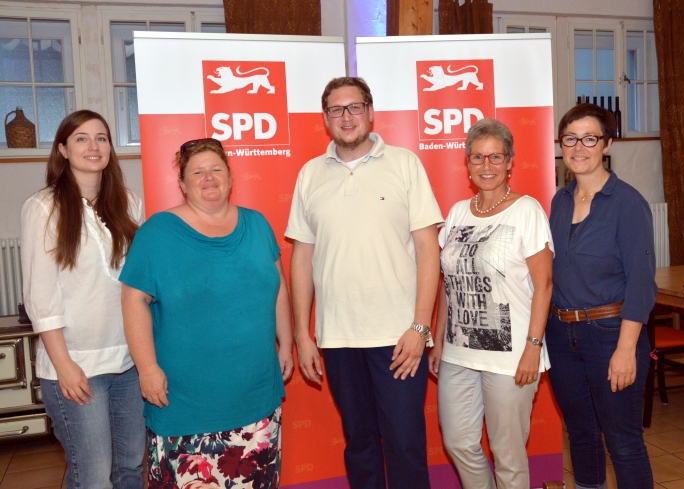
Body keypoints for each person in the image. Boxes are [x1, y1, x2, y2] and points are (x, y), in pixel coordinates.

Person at [286, 77, 443, 489]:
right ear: (325, 119)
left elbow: (429, 250)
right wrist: (303, 334)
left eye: (355, 107)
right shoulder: (310, 174)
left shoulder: (405, 163)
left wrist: (420, 327)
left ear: (371, 112)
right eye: (337, 110)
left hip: (399, 338)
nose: (347, 117)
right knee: (359, 444)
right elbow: (301, 258)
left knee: (405, 445)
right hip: (337, 338)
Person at [119, 138, 293, 488]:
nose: (208, 178)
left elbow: (278, 289)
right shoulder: (157, 233)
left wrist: (286, 344)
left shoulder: (257, 224)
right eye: (197, 172)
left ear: (230, 177)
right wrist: (147, 368)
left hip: (256, 399)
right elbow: (133, 300)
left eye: (216, 170)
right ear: (182, 184)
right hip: (186, 404)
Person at [20, 110, 145, 488]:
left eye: (102, 138)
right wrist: (64, 365)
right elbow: (39, 296)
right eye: (81, 138)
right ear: (62, 149)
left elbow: (137, 284)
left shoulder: (129, 202)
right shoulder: (44, 208)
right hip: (76, 366)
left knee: (130, 469)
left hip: (128, 362)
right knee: (92, 478)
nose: (94, 146)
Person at [428, 119, 554, 489]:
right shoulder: (456, 214)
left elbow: (544, 284)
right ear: (467, 163)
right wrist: (438, 339)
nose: (486, 166)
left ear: (510, 161)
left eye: (495, 157)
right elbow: (447, 284)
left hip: (510, 357)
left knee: (508, 454)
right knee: (459, 442)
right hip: (458, 353)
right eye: (478, 158)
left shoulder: (526, 211)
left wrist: (533, 348)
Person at [546, 103, 656, 489]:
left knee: (623, 442)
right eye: (570, 138)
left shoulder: (628, 203)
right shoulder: (559, 202)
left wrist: (626, 349)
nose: (579, 147)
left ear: (607, 144)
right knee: (581, 434)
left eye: (589, 138)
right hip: (561, 337)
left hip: (611, 335)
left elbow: (642, 283)